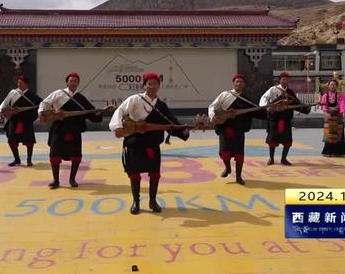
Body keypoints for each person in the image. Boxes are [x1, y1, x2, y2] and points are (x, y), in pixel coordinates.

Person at [109, 72, 190, 215]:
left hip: (152, 144)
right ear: (144, 85)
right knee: (134, 174)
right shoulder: (135, 99)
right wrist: (118, 127)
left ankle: (153, 201)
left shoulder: (161, 105)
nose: (152, 86)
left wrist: (183, 131)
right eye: (149, 83)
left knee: (154, 174)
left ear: (159, 86)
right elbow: (120, 110)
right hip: (134, 143)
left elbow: (170, 122)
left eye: (155, 84)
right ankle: (136, 201)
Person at [38, 72, 103, 189]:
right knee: (55, 155)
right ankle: (56, 180)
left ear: (78, 83)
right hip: (59, 129)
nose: (73, 83)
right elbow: (45, 103)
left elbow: (91, 112)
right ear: (67, 82)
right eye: (71, 80)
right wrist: (41, 113)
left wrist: (101, 113)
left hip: (75, 130)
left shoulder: (80, 98)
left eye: (75, 81)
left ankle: (72, 179)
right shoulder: (58, 93)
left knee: (76, 156)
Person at [208, 73, 266, 185]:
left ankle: (238, 176)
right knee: (224, 153)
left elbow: (257, 112)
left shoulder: (247, 100)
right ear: (234, 83)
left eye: (241, 82)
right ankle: (228, 168)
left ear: (244, 84)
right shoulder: (225, 95)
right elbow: (212, 106)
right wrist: (213, 116)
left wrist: (269, 111)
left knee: (239, 155)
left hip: (239, 131)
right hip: (225, 128)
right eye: (237, 81)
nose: (239, 83)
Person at [260, 72, 311, 166]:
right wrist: (267, 107)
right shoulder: (273, 89)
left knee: (287, 141)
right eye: (283, 79)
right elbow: (264, 98)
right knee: (272, 140)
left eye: (287, 79)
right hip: (274, 119)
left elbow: (297, 104)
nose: (285, 81)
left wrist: (306, 107)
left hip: (286, 120)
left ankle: (284, 159)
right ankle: (271, 158)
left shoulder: (290, 92)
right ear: (279, 80)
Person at [0, 76, 42, 167]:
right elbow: (4, 103)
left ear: (26, 84)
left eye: (21, 83)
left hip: (27, 122)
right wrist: (1, 111)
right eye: (18, 83)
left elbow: (42, 104)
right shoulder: (13, 93)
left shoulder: (32, 96)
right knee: (12, 142)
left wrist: (39, 114)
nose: (18, 84)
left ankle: (29, 160)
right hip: (14, 121)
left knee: (29, 142)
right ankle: (16, 159)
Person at [321, 80, 345, 157]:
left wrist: (343, 112)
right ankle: (328, 151)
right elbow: (324, 106)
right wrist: (326, 112)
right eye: (331, 84)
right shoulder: (325, 95)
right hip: (328, 116)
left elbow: (342, 104)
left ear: (337, 86)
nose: (332, 86)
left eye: (334, 84)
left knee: (338, 134)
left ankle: (338, 152)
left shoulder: (340, 95)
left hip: (338, 116)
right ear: (328, 86)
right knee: (329, 135)